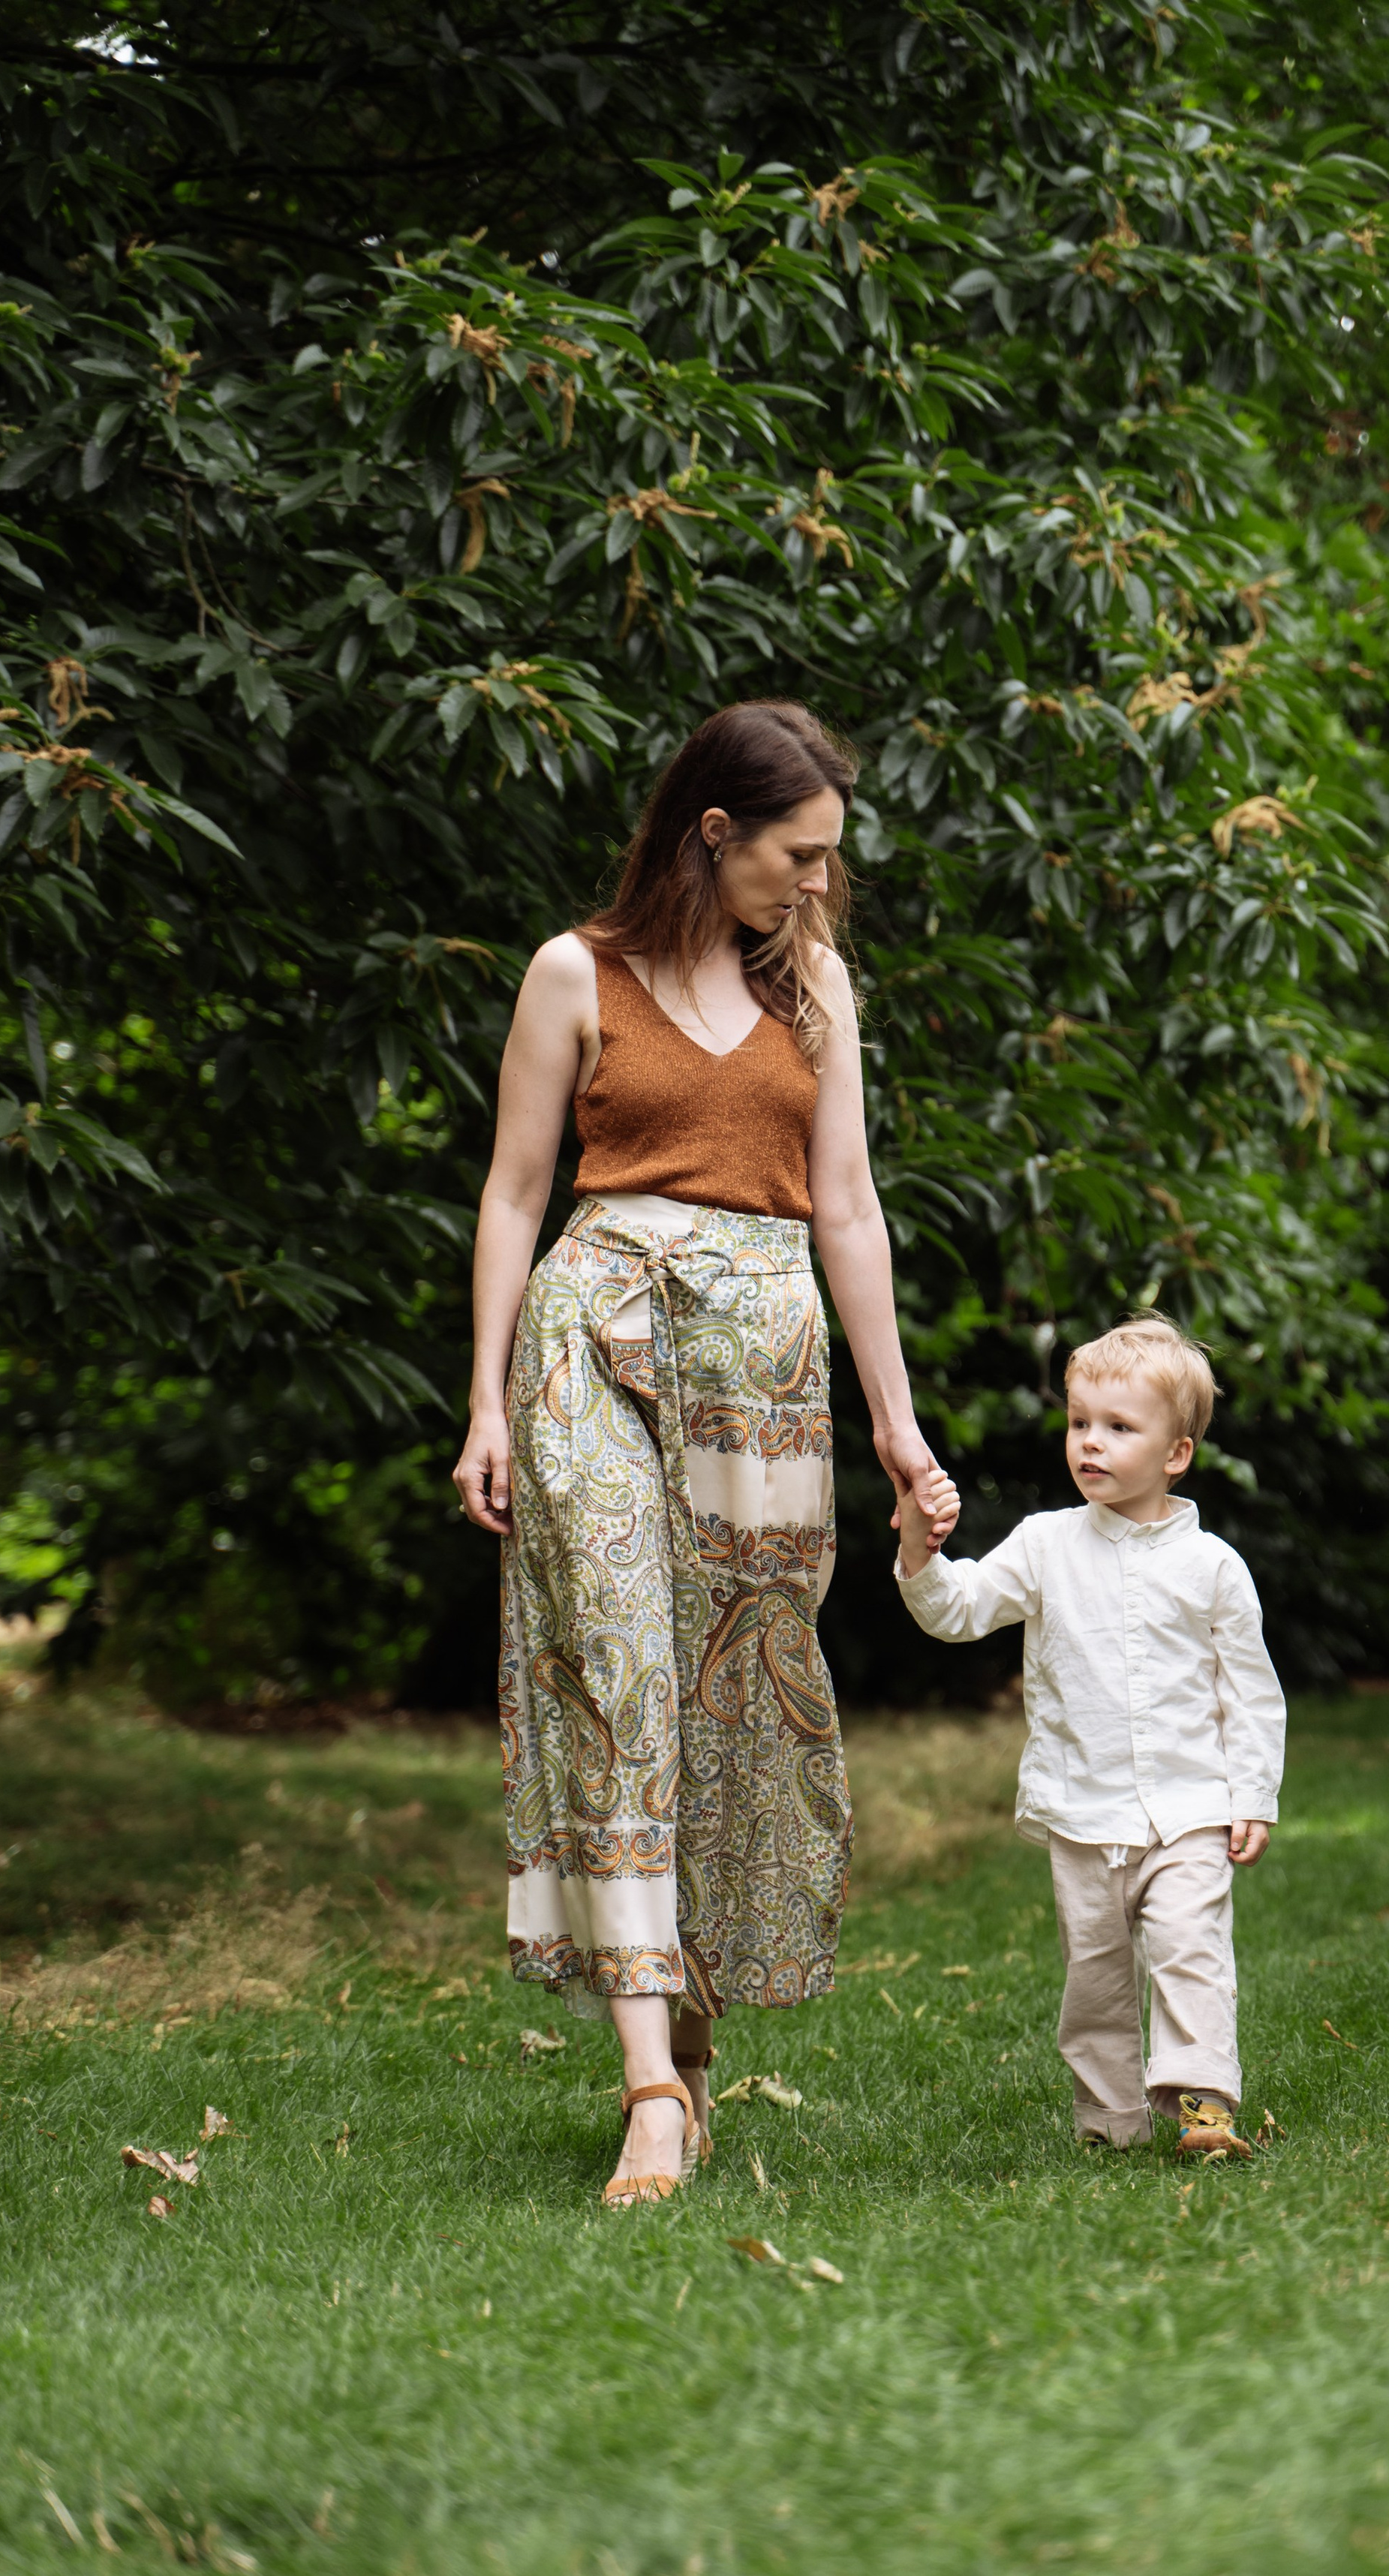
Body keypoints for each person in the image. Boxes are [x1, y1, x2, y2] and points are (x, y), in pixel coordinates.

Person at [452, 701, 953, 2205]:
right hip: (587, 1340)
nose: (817, 885)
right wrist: (482, 1400)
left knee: (732, 1689)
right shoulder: (574, 973)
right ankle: (648, 2091)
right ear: (713, 833)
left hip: (762, 1361)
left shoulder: (816, 990)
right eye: (797, 857)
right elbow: (511, 1195)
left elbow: (848, 1208)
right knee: (616, 1672)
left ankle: (688, 2014)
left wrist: (894, 1415)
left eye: (830, 861)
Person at [892, 1314, 1284, 2159]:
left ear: (1175, 1453)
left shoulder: (1212, 1567)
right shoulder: (1044, 1545)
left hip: (1188, 1807)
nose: (1090, 1445)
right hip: (1081, 1807)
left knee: (1189, 1950)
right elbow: (960, 1612)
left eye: (1117, 1428)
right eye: (1078, 1424)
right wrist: (923, 1555)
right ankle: (1109, 2124)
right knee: (1096, 1978)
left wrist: (1251, 1793)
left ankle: (1204, 2107)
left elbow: (1250, 1693)